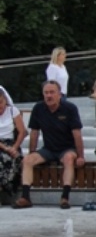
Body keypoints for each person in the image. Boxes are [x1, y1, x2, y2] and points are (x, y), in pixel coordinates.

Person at [13, 80, 85, 209]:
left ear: (59, 94)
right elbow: (34, 133)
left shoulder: (70, 108)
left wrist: (80, 156)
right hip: (49, 149)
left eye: (52, 92)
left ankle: (65, 197)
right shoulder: (38, 108)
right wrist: (32, 152)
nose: (49, 96)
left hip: (67, 148)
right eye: (46, 93)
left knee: (69, 159)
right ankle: (25, 197)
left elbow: (77, 134)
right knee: (27, 160)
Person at [0, 87, 26, 196]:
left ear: (5, 100)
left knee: (13, 158)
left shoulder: (12, 111)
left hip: (12, 144)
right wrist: (5, 148)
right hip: (1, 145)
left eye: (0, 102)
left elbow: (22, 132)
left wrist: (14, 147)